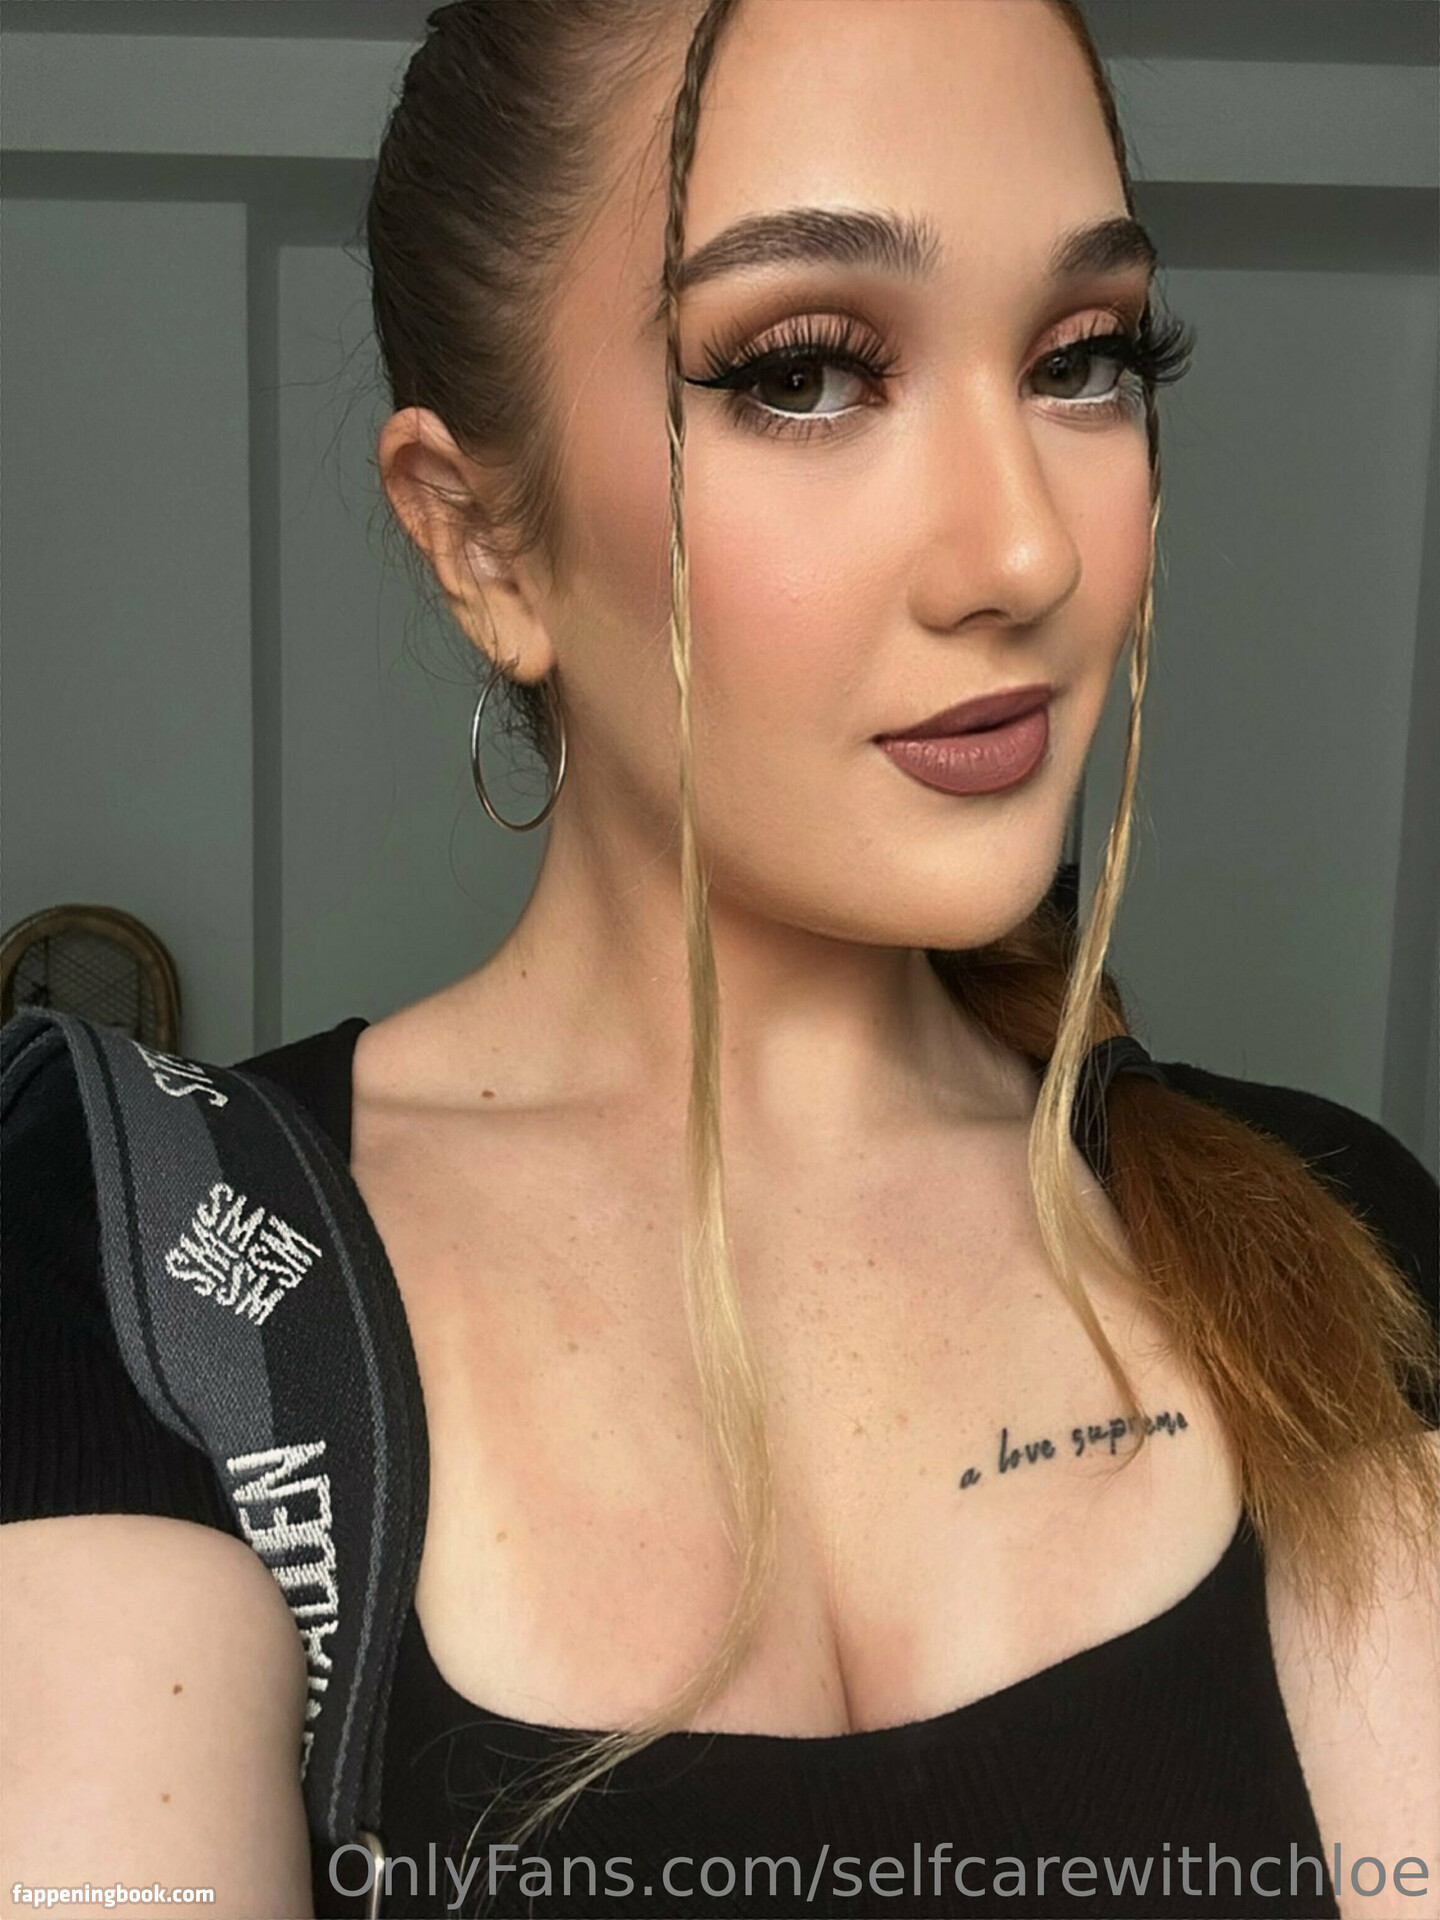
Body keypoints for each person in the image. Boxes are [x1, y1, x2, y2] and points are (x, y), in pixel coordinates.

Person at [3, 4, 1437, 1918]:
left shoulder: (1336, 1229)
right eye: (807, 372)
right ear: (480, 541)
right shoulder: (142, 1270)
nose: (1022, 553)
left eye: (1085, 359)